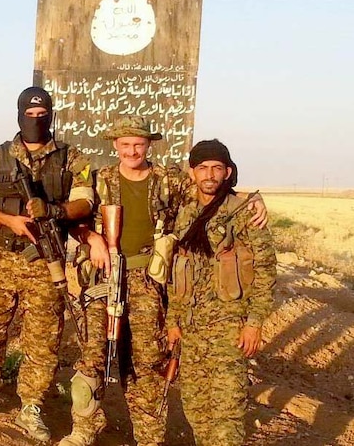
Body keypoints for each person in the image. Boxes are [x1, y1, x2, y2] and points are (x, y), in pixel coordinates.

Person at [61, 118, 268, 446]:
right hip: (103, 278)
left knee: (148, 362)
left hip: (148, 282)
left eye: (138, 145)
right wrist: (91, 238)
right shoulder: (98, 180)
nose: (132, 151)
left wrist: (251, 200)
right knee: (92, 356)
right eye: (125, 144)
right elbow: (72, 217)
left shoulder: (169, 180)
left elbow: (212, 191)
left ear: (148, 146)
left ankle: (149, 438)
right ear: (115, 146)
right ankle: (83, 430)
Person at [0, 87, 94, 442]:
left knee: (43, 337)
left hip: (45, 260)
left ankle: (32, 406)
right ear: (19, 114)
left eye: (42, 114)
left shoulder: (71, 157)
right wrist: (8, 220)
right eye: (30, 114)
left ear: (51, 115)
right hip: (1, 257)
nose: (36, 120)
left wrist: (54, 211)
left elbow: (85, 202)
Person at [165, 139, 276, 446]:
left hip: (230, 332)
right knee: (197, 413)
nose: (209, 174)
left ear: (228, 172)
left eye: (216, 168)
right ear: (192, 173)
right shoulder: (185, 214)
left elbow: (266, 272)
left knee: (227, 417)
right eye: (202, 168)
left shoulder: (245, 213)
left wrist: (254, 322)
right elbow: (176, 273)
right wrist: (173, 320)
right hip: (191, 333)